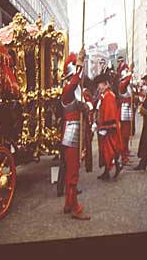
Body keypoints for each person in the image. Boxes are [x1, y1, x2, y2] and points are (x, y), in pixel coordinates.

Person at [60, 50, 90, 220]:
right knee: (73, 173)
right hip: (71, 135)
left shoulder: (73, 92)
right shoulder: (67, 90)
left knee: (72, 171)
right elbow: (73, 83)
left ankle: (68, 203)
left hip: (74, 134)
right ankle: (75, 207)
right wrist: (79, 65)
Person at [93, 72, 124, 180]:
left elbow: (110, 113)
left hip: (109, 128)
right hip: (104, 126)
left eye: (99, 85)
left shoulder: (109, 95)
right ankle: (107, 170)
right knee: (105, 150)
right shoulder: (105, 95)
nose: (98, 87)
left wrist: (105, 127)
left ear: (105, 84)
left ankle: (116, 165)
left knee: (109, 149)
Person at [118, 61, 134, 165]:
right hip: (123, 111)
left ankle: (126, 152)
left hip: (128, 110)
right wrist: (130, 71)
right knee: (124, 136)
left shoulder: (127, 85)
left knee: (127, 135)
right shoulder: (122, 85)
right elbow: (127, 80)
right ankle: (123, 157)